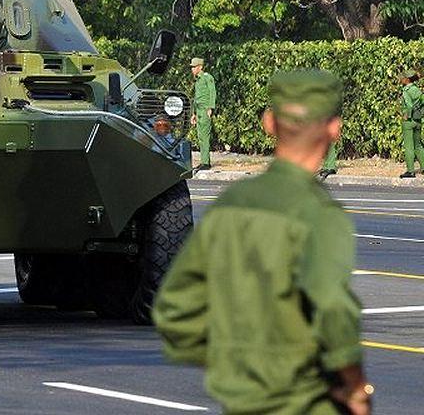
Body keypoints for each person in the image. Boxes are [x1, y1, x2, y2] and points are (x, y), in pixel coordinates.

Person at [154, 69, 371, 415]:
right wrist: (356, 385)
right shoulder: (319, 214)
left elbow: (174, 312)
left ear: (269, 123)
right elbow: (333, 310)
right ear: (335, 129)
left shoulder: (231, 204)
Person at [190, 57, 216, 171]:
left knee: (204, 137)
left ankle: (206, 163)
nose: (192, 69)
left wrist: (210, 107)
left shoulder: (207, 77)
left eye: (194, 67)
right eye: (192, 67)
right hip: (199, 111)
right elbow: (196, 98)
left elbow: (212, 92)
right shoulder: (198, 80)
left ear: (200, 67)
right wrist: (194, 113)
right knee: (200, 137)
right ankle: (203, 161)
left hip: (205, 110)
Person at [399, 69, 424, 178]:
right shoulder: (417, 90)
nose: (400, 79)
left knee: (409, 146)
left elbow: (409, 105)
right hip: (418, 120)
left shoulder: (406, 90)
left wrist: (406, 115)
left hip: (409, 121)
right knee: (418, 145)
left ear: (407, 80)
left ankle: (410, 171)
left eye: (402, 78)